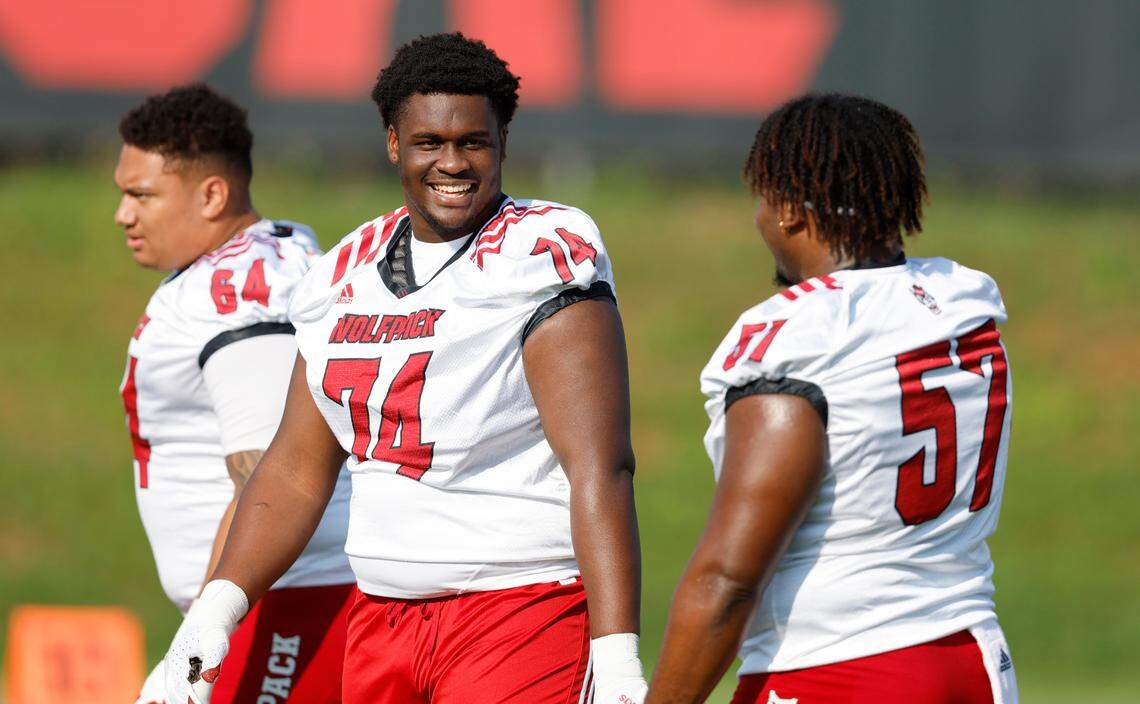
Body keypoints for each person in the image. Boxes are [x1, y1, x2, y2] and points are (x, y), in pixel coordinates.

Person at [161, 34, 647, 704]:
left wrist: (618, 657)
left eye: (473, 141)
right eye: (429, 143)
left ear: (503, 139)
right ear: (394, 143)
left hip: (516, 608)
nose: (452, 162)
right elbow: (297, 468)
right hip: (382, 614)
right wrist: (214, 610)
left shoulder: (541, 250)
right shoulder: (343, 273)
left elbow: (601, 464)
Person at [645, 94, 1019, 704]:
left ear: (792, 210)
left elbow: (729, 579)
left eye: (765, 198)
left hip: (835, 667)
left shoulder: (803, 338)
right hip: (973, 659)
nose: (760, 217)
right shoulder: (962, 303)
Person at [114, 83, 355, 704]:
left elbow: (264, 469)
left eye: (142, 195)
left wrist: (201, 631)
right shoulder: (274, 249)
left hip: (286, 598)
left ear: (213, 194)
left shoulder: (240, 285)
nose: (123, 214)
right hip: (275, 598)